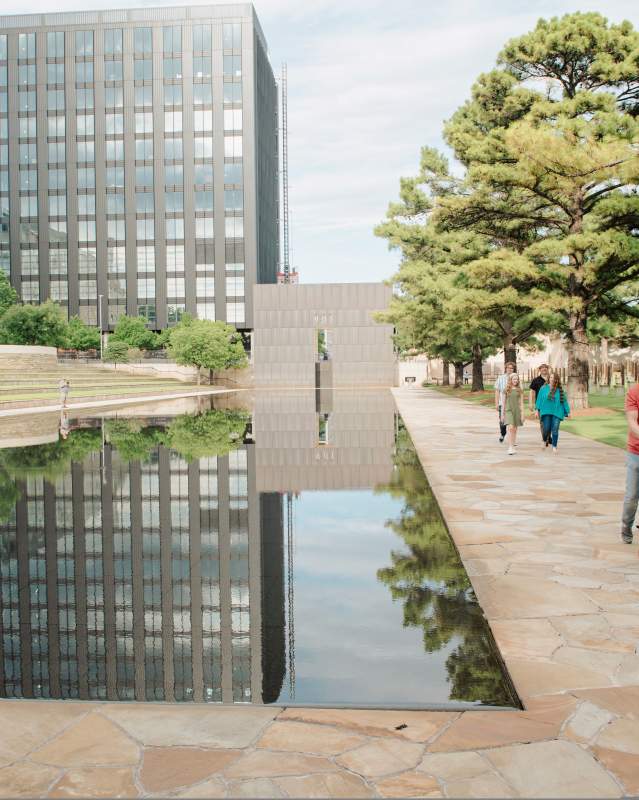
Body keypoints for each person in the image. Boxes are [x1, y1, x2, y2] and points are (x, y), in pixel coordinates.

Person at [621, 381, 639, 543]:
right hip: (636, 452)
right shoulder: (635, 391)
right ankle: (626, 525)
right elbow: (632, 422)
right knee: (632, 496)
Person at [535, 372, 570, 454]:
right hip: (546, 411)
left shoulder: (559, 390)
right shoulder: (543, 388)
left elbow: (564, 401)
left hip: (557, 412)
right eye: (550, 377)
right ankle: (544, 440)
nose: (552, 379)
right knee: (546, 429)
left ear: (556, 380)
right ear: (549, 379)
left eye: (554, 378)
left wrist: (568, 411)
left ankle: (554, 446)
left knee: (555, 429)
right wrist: (537, 410)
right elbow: (539, 399)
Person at [502, 373, 524, 455]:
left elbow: (521, 403)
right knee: (511, 428)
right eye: (514, 379)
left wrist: (522, 414)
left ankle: (513, 445)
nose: (515, 381)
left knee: (514, 429)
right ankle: (510, 447)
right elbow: (503, 403)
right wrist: (502, 415)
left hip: (517, 411)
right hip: (508, 410)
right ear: (510, 380)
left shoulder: (519, 390)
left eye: (517, 379)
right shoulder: (506, 389)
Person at [494, 361, 515, 443]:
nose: (510, 369)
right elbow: (497, 391)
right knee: (502, 422)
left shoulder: (515, 378)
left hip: (513, 404)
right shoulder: (500, 378)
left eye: (511, 368)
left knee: (512, 423)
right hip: (502, 404)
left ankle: (512, 440)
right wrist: (496, 403)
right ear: (506, 369)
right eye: (508, 368)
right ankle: (503, 433)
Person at [529, 364, 550, 443]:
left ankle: (548, 436)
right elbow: (531, 392)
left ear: (547, 369)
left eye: (546, 368)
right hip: (540, 405)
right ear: (539, 370)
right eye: (542, 368)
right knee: (543, 422)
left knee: (550, 421)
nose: (544, 369)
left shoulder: (551, 379)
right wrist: (531, 403)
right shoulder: (536, 380)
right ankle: (545, 438)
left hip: (551, 404)